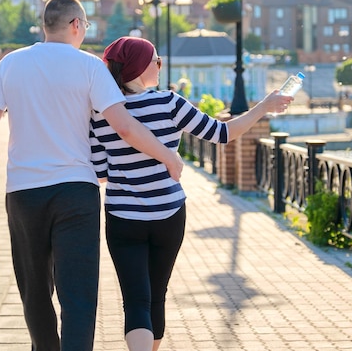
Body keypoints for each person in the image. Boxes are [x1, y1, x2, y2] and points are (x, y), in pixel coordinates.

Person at [0, 0, 183, 351]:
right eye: (85, 25)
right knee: (78, 293)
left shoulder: (11, 63)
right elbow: (124, 126)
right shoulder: (90, 66)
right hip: (76, 192)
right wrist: (168, 156)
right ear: (76, 24)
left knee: (34, 288)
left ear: (46, 25)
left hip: (24, 192)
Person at [89, 36, 293, 351]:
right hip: (169, 214)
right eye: (156, 60)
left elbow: (101, 172)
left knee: (136, 301)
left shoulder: (102, 113)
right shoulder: (170, 103)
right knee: (157, 295)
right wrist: (264, 107)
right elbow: (223, 134)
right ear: (142, 66)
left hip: (123, 215)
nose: (160, 65)